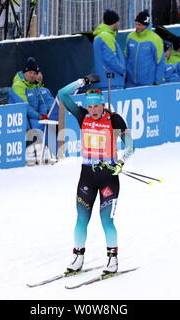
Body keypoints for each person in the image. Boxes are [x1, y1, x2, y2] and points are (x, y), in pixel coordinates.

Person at [57, 74, 135, 274]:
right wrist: (81, 81)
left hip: (108, 176)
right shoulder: (82, 116)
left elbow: (130, 146)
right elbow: (62, 94)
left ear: (102, 105)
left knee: (106, 220)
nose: (91, 111)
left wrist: (120, 162)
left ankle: (112, 259)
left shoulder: (114, 119)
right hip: (87, 176)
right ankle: (77, 257)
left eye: (95, 107)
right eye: (89, 107)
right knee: (81, 218)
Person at [125, 10, 165, 87]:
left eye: (139, 25)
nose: (137, 27)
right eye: (136, 24)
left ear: (146, 25)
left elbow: (160, 62)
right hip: (130, 82)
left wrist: (158, 82)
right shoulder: (130, 37)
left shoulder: (155, 39)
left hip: (147, 83)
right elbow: (126, 57)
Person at [8, 57, 49, 131]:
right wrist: (40, 117)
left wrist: (44, 116)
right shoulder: (18, 85)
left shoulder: (34, 86)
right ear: (24, 72)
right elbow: (24, 107)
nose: (32, 75)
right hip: (20, 122)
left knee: (49, 126)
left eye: (34, 73)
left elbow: (42, 103)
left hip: (33, 118)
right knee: (43, 128)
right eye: (30, 72)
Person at [92, 9, 125, 90]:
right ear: (114, 22)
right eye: (118, 21)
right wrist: (122, 70)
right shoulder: (107, 37)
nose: (119, 24)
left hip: (104, 81)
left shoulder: (99, 36)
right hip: (112, 82)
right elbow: (111, 59)